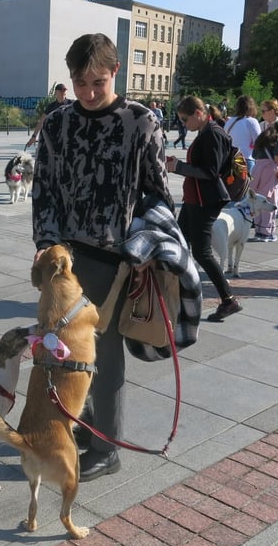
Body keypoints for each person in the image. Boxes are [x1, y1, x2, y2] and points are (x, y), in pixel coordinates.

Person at [32, 33, 173, 482]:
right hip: (66, 262)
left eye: (98, 82)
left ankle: (107, 445)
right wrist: (46, 244)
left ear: (116, 72)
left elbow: (158, 195)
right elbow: (44, 190)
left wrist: (147, 245)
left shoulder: (141, 122)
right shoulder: (57, 124)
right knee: (66, 352)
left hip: (116, 261)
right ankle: (84, 424)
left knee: (106, 355)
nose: (89, 93)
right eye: (80, 83)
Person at [166, 96, 243, 321]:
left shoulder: (213, 133)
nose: (183, 124)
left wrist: (178, 166)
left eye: (184, 119)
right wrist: (178, 165)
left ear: (198, 113)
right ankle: (182, 293)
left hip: (204, 201)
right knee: (179, 244)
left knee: (201, 252)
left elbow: (211, 172)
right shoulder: (206, 131)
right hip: (195, 200)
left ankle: (228, 299)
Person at [250, 120, 278, 242]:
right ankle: (267, 233)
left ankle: (258, 230)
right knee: (270, 202)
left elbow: (254, 155)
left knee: (257, 201)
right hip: (270, 172)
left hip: (256, 170)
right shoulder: (277, 138)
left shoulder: (261, 138)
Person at [25, 83, 73, 148]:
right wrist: (34, 136)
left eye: (64, 91)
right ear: (56, 92)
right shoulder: (51, 106)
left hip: (69, 137)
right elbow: (41, 121)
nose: (63, 93)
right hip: (56, 138)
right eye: (61, 91)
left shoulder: (72, 104)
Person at [224, 95, 262, 174]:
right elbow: (259, 142)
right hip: (245, 159)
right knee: (248, 185)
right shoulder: (251, 121)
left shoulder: (229, 121)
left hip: (230, 159)